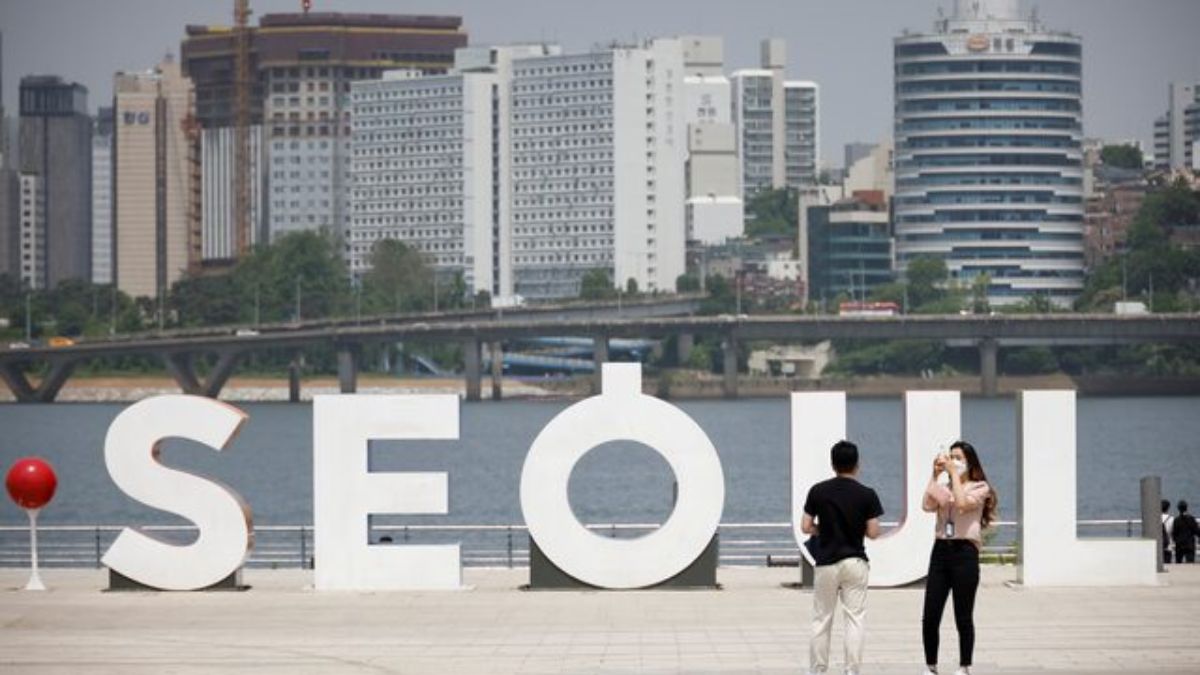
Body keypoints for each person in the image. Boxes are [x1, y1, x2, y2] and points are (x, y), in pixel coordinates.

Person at [801, 440, 884, 675]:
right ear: (857, 465)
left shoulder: (818, 491)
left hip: (826, 562)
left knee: (822, 619)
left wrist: (822, 530)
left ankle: (818, 670)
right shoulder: (867, 494)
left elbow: (806, 526)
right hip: (855, 561)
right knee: (855, 619)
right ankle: (851, 671)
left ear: (832, 464)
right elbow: (874, 533)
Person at [920, 441, 996, 675]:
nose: (953, 461)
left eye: (958, 458)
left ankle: (964, 666)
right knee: (930, 615)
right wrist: (934, 475)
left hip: (965, 553)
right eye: (951, 457)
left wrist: (953, 474)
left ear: (969, 462)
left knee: (963, 615)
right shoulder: (945, 487)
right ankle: (931, 666)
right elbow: (926, 505)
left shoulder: (980, 487)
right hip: (941, 551)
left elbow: (962, 504)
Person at [1162, 499, 1175, 565]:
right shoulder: (1171, 519)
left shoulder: (1155, 517)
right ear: (1168, 508)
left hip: (1158, 545)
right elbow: (1173, 532)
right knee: (1168, 564)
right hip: (1168, 545)